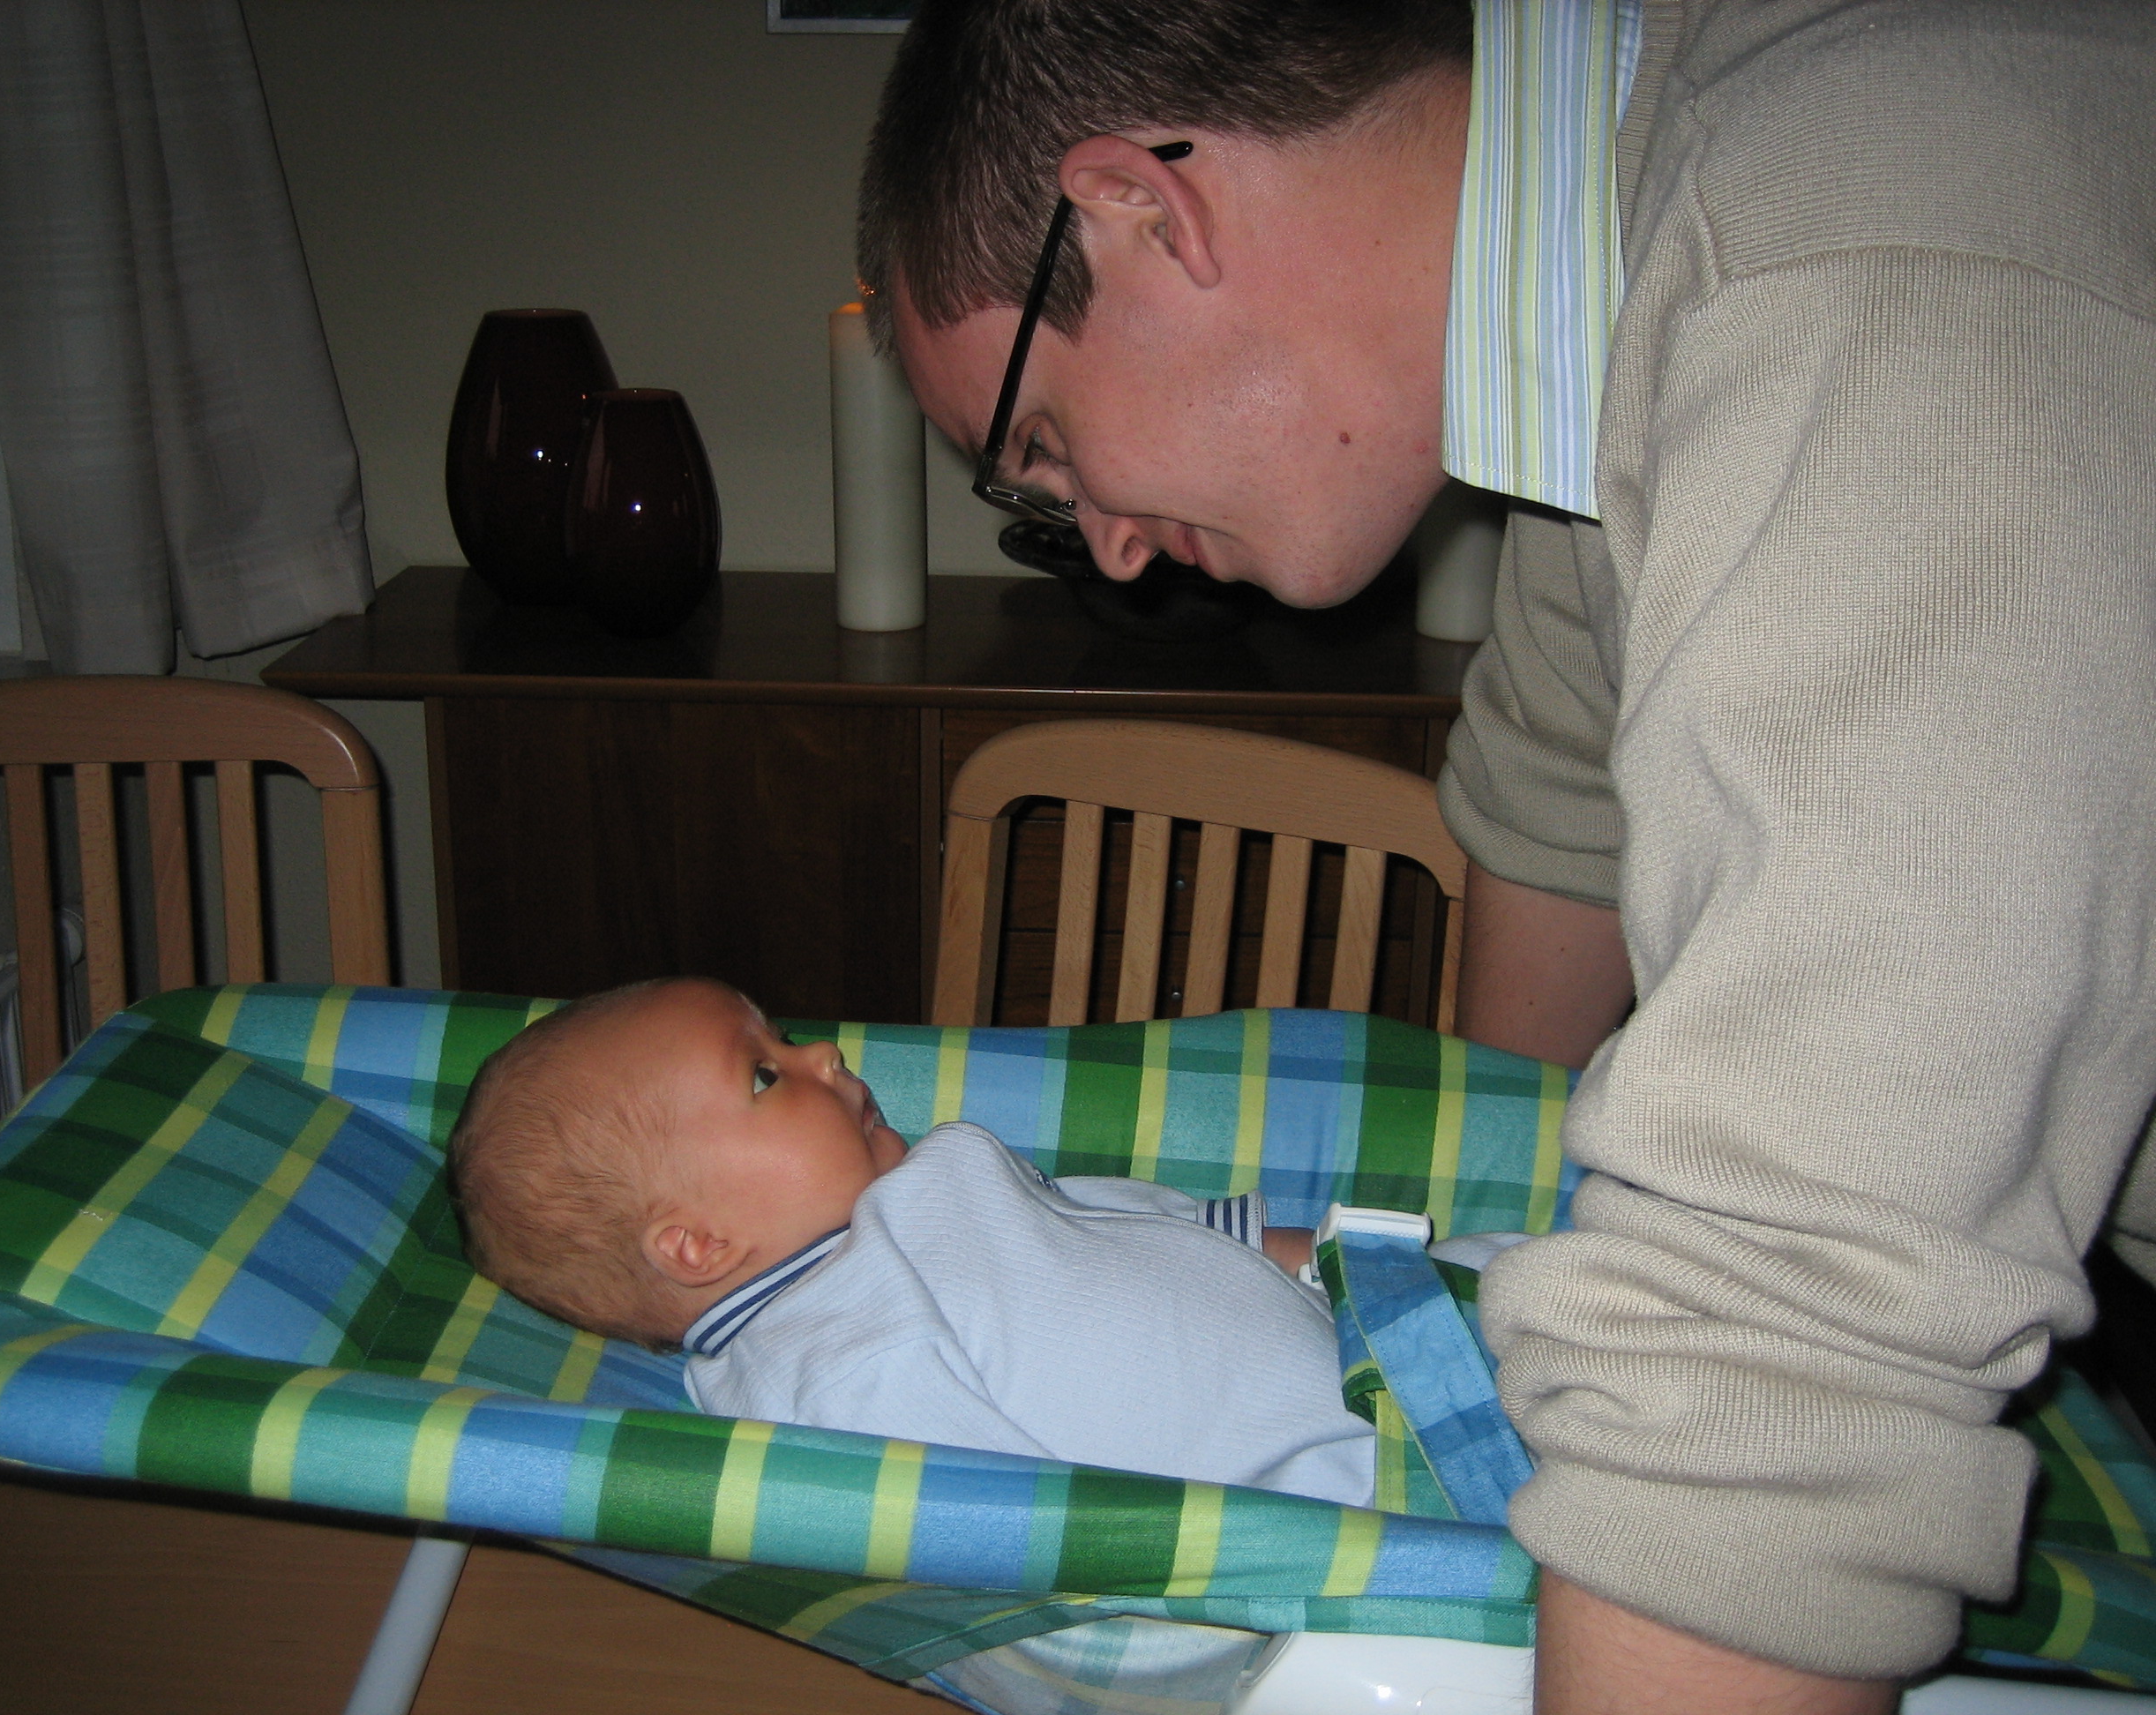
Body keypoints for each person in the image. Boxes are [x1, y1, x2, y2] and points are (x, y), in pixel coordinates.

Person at [854, 3, 2156, 1711]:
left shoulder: (1861, 248)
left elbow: (1785, 1354)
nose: (1098, 542)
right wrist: (1443, 1282)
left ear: (1141, 212)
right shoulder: (1599, 315)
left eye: (1039, 443)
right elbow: (1559, 786)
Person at [445, 977, 1381, 1505]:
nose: (823, 1056)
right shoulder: (828, 1359)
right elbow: (989, 1525)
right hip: (1351, 1480)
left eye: (787, 1037)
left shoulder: (924, 1194)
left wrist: (1320, 1256)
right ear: (699, 1244)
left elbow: (1107, 1230)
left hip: (1373, 1319)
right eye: (764, 1074)